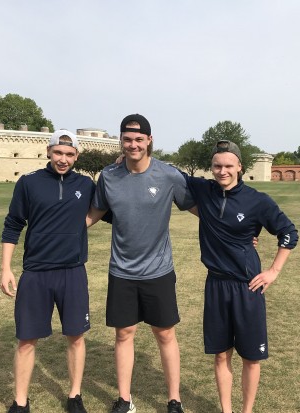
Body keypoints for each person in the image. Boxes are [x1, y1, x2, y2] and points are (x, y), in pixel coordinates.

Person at [87, 114, 195, 413]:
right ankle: (125, 399)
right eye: (127, 139)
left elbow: (199, 208)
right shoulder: (109, 176)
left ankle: (174, 400)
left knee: (165, 334)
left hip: (158, 271)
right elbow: (93, 214)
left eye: (138, 139)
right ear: (121, 142)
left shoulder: (168, 176)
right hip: (121, 271)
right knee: (124, 334)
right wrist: (56, 229)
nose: (132, 144)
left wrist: (239, 231)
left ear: (149, 140)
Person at [183, 140, 299, 413]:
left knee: (250, 357)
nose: (222, 171)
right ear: (210, 167)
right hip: (215, 285)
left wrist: (273, 271)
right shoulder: (204, 190)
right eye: (216, 166)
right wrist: (122, 161)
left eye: (228, 166)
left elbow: (288, 233)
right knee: (222, 354)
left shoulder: (257, 201)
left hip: (247, 288)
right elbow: (162, 171)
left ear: (239, 168)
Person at [0, 129, 98, 413]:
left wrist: (79, 226)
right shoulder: (29, 183)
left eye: (69, 154)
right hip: (36, 272)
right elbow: (13, 224)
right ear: (49, 151)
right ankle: (20, 401)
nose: (63, 159)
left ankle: (74, 395)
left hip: (72, 271)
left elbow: (105, 208)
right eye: (58, 153)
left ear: (77, 155)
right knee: (27, 339)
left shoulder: (86, 184)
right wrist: (6, 268)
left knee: (76, 336)